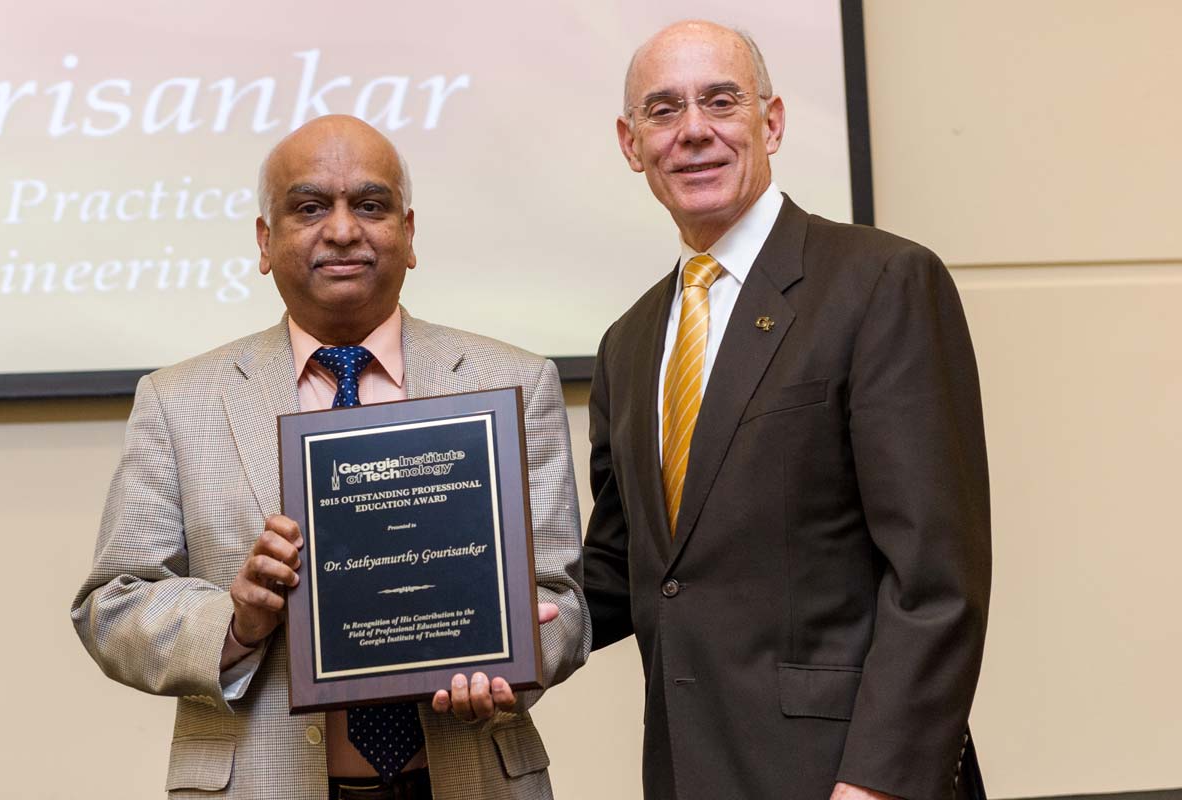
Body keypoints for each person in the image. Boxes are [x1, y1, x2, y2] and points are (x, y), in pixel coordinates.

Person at [72, 114, 589, 800]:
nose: (343, 230)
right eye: (310, 207)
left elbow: (563, 600)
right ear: (265, 240)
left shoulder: (513, 383)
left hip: (468, 776)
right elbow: (113, 604)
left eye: (370, 206)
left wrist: (512, 665)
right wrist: (237, 620)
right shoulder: (179, 400)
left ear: (408, 235)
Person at [583, 21, 991, 800]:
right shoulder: (628, 343)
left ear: (770, 122)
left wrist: (879, 784)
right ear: (631, 143)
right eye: (663, 111)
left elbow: (935, 577)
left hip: (846, 781)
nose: (694, 131)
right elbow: (627, 567)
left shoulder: (882, 283)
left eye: (721, 101)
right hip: (690, 772)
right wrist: (505, 625)